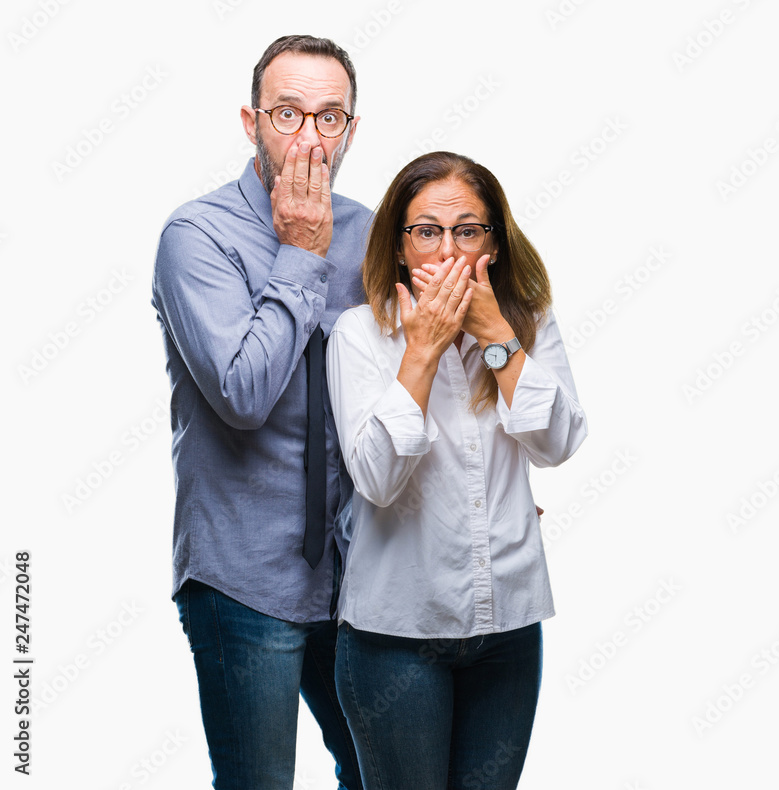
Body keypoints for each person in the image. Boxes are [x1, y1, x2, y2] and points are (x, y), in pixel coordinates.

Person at [327, 151, 588, 789]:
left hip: (508, 625)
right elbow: (377, 480)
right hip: (395, 637)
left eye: (468, 230)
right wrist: (421, 353)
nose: (448, 250)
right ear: (397, 246)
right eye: (427, 232)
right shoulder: (360, 335)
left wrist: (497, 334)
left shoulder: (527, 321)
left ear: (493, 244)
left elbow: (557, 443)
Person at [151, 35, 366, 789]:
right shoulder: (195, 237)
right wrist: (302, 253)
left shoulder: (372, 235)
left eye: (330, 117)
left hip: (357, 574)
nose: (309, 137)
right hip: (242, 577)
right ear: (251, 122)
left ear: (352, 128)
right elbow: (243, 395)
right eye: (288, 113)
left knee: (389, 774)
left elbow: (413, 387)